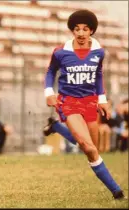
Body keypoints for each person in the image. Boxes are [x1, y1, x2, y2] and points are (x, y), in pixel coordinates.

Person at [44, 9, 125, 199]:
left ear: (91, 31)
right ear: (72, 31)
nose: (80, 33)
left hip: (90, 102)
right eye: (76, 29)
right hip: (69, 102)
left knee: (92, 148)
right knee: (87, 145)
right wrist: (49, 92)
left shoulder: (99, 51)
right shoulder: (60, 52)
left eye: (85, 29)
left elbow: (98, 75)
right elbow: (50, 72)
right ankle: (117, 191)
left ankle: (56, 126)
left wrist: (102, 100)